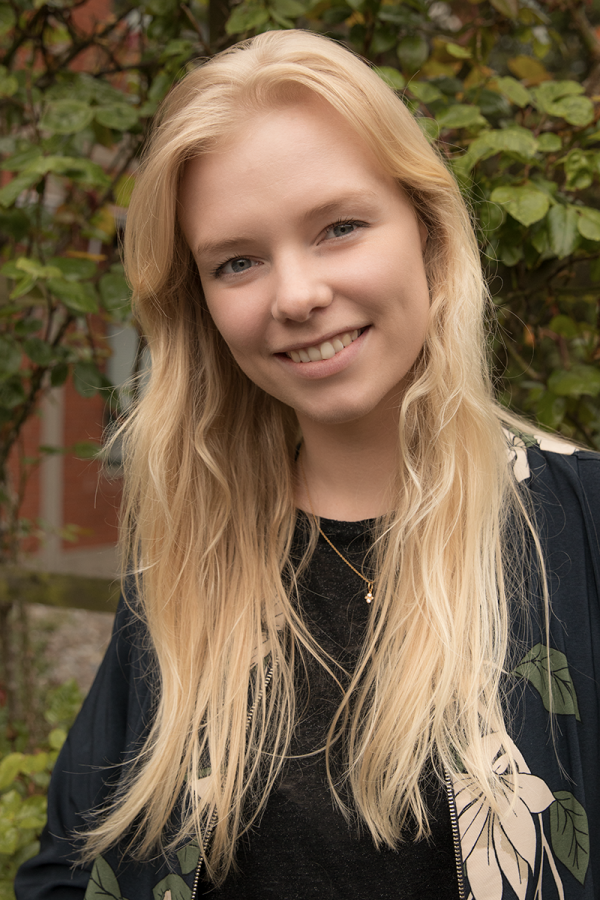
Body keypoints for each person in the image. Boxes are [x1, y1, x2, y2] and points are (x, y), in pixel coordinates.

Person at [15, 29, 600, 900]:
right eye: (238, 262)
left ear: (428, 230)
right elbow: (69, 868)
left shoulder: (583, 524)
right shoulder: (186, 564)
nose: (295, 296)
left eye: (340, 227)